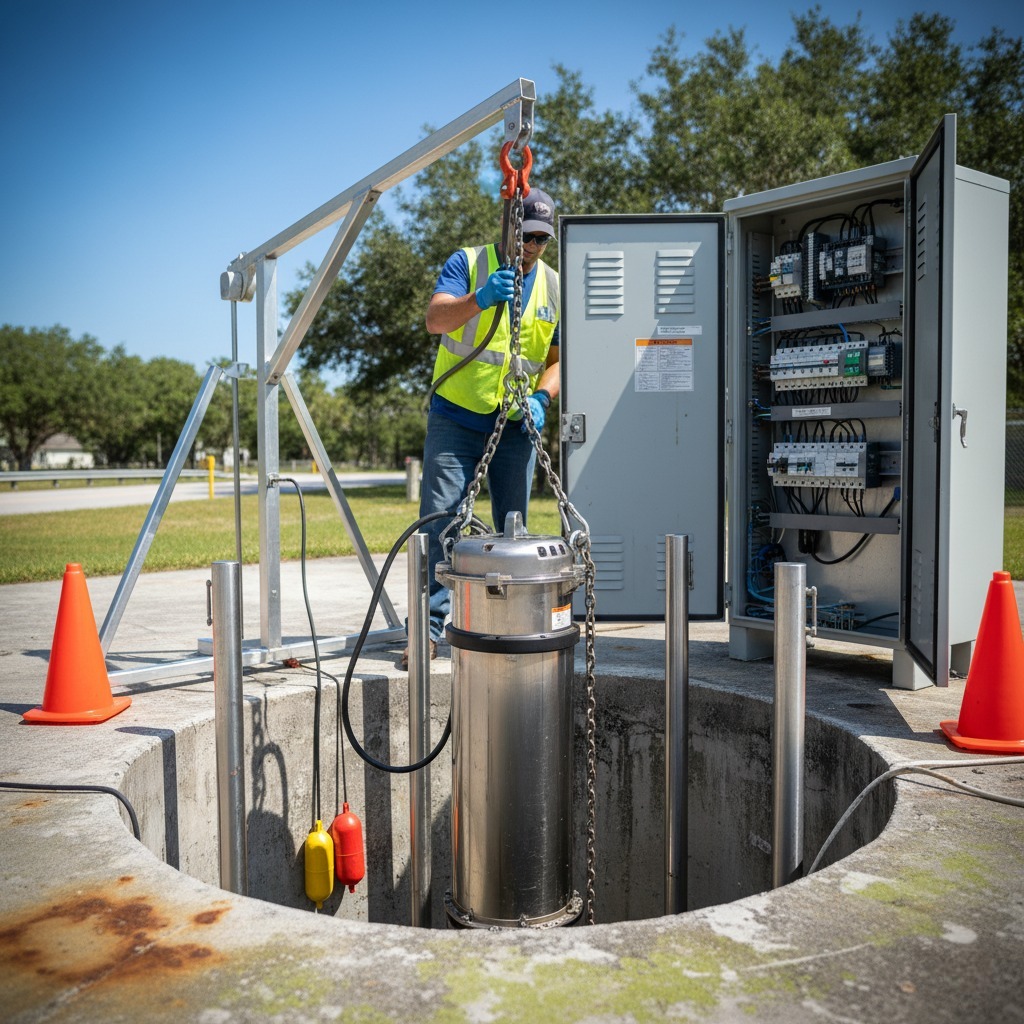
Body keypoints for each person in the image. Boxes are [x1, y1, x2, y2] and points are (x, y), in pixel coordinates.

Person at [404, 188, 560, 667]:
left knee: (513, 529)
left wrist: (542, 397)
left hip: (515, 425)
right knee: (442, 522)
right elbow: (435, 319)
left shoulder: (554, 286)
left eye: (542, 239)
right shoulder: (469, 263)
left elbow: (558, 360)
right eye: (527, 235)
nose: (533, 247)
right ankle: (429, 631)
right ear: (509, 224)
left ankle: (504, 622)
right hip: (456, 417)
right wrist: (482, 297)